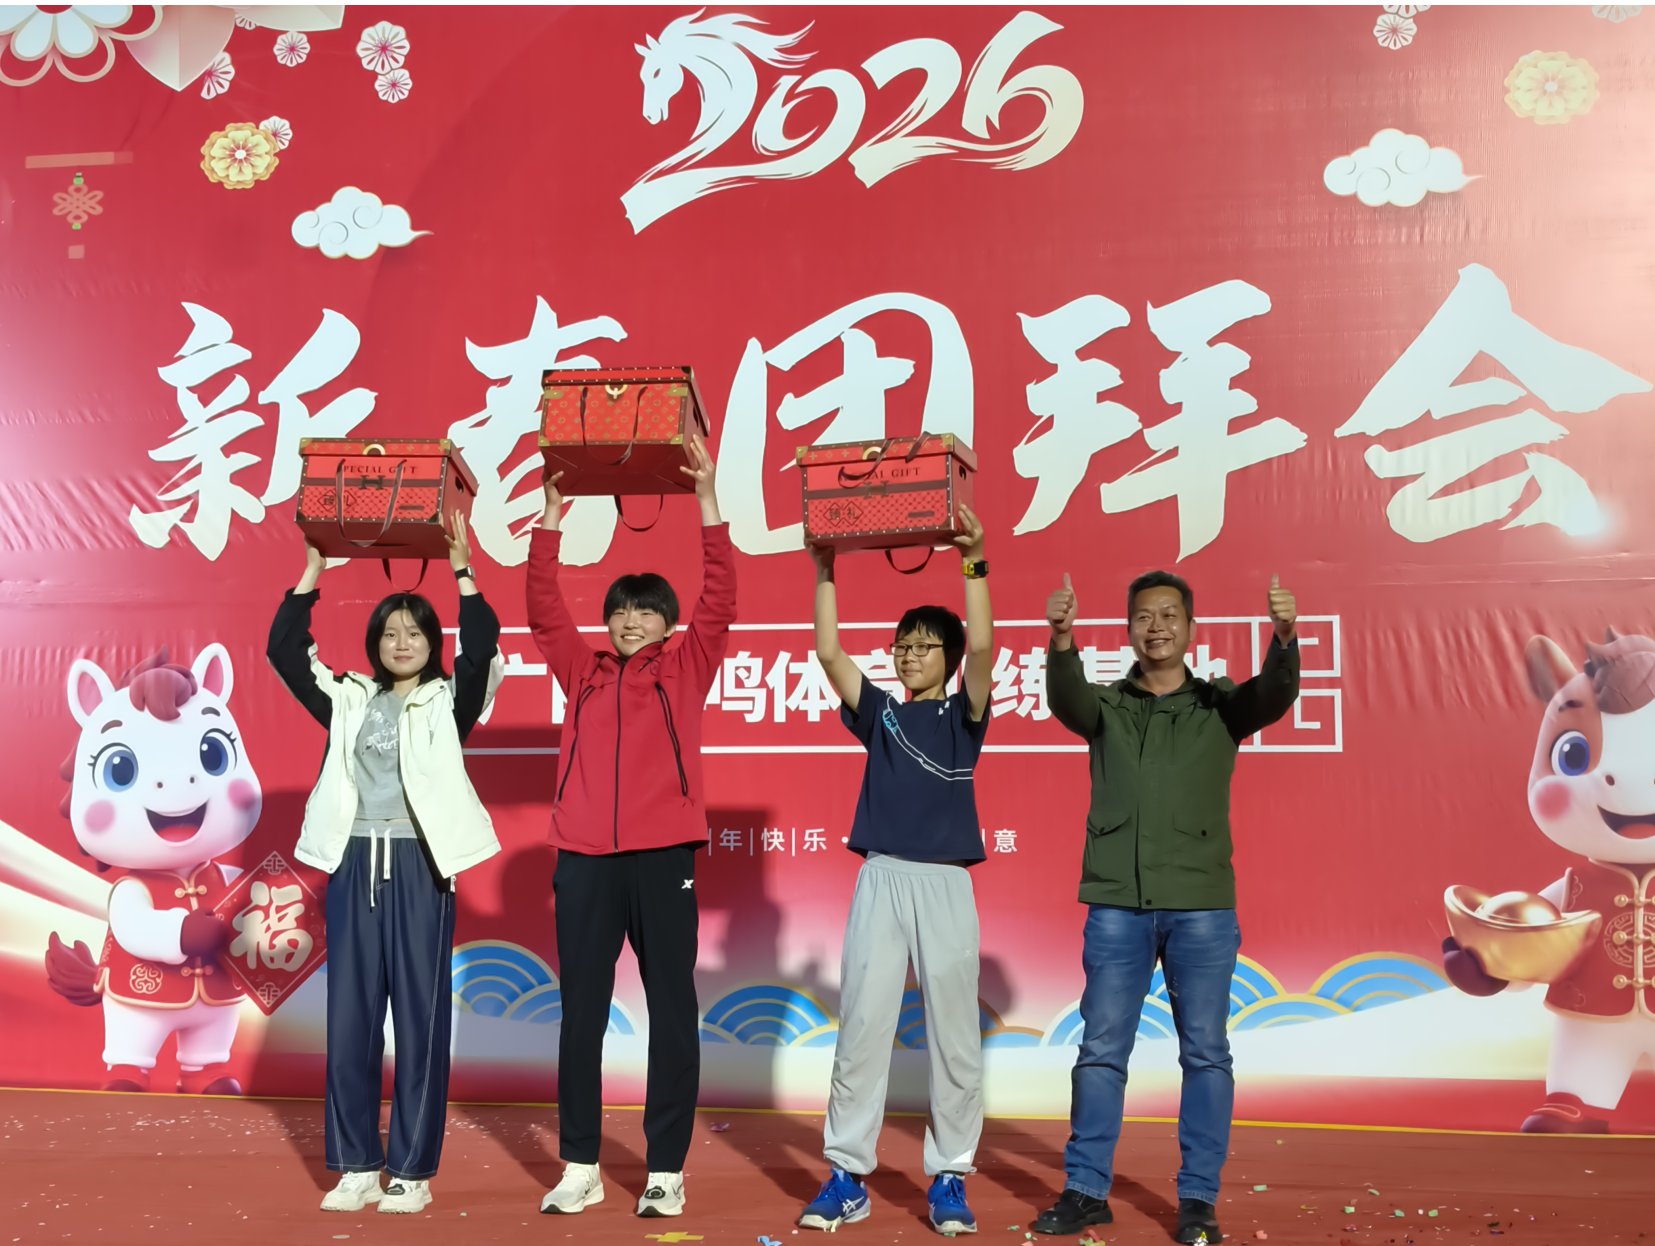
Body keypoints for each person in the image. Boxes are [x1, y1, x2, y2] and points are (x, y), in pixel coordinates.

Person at [1032, 570, 1299, 1245]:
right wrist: (1060, 639)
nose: (1156, 627)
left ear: (1190, 628)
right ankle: (1086, 1189)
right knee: (1100, 1050)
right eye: (1144, 617)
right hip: (1117, 906)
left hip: (1200, 906)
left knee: (1206, 1053)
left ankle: (1198, 1200)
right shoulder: (1107, 706)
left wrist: (1284, 637)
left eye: (1169, 615)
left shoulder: (1219, 705)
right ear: (1128, 629)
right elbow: (1065, 698)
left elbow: (1273, 694)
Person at [266, 512, 502, 1216]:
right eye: (391, 633)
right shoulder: (348, 698)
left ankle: (411, 1170)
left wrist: (463, 572)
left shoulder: (449, 701)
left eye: (415, 633)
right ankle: (356, 1166)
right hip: (353, 865)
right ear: (375, 643)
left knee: (421, 1021)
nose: (402, 643)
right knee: (351, 1020)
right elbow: (284, 651)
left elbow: (482, 645)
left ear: (432, 644)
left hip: (421, 867)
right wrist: (312, 573)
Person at [528, 434, 735, 1219]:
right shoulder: (582, 672)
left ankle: (665, 1170)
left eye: (645, 611)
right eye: (618, 611)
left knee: (671, 1010)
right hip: (583, 858)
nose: (629, 621)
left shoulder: (684, 667)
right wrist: (551, 517)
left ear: (666, 623)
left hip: (662, 857)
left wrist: (706, 499)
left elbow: (721, 598)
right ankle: (579, 1163)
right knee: (580, 1015)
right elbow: (543, 610)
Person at [797, 505, 994, 1237]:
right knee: (862, 1029)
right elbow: (828, 653)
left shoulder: (964, 716)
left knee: (954, 1037)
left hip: (944, 884)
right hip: (880, 878)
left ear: (949, 657)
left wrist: (973, 559)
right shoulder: (879, 714)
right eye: (901, 645)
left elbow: (984, 647)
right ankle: (847, 1175)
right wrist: (825, 569)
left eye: (923, 646)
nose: (908, 655)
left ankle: (950, 1175)